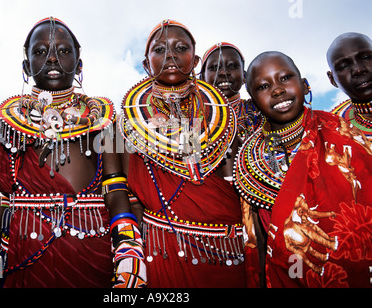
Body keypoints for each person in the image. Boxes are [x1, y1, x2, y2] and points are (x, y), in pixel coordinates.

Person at [0, 17, 146, 288]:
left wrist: (129, 258)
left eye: (63, 51)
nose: (52, 59)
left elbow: (116, 191)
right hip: (23, 253)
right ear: (26, 66)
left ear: (79, 64)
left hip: (91, 252)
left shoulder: (105, 120)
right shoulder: (3, 124)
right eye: (40, 52)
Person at [119, 19, 246, 288]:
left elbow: (236, 184)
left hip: (228, 250)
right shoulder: (126, 123)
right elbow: (124, 190)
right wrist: (130, 254)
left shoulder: (223, 118)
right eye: (160, 49)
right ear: (145, 63)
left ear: (195, 59)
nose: (171, 56)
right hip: (163, 250)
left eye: (180, 48)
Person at [234, 51, 372, 288]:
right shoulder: (249, 162)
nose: (277, 90)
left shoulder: (345, 135)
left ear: (305, 85)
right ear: (253, 100)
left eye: (285, 78)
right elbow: (258, 242)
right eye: (263, 86)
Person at [200, 42, 263, 180]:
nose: (223, 72)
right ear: (202, 78)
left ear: (244, 76)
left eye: (233, 66)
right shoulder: (192, 119)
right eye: (214, 67)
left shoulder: (260, 110)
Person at [328, 32, 372, 140]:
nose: (358, 70)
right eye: (343, 66)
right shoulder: (331, 133)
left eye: (366, 57)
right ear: (332, 79)